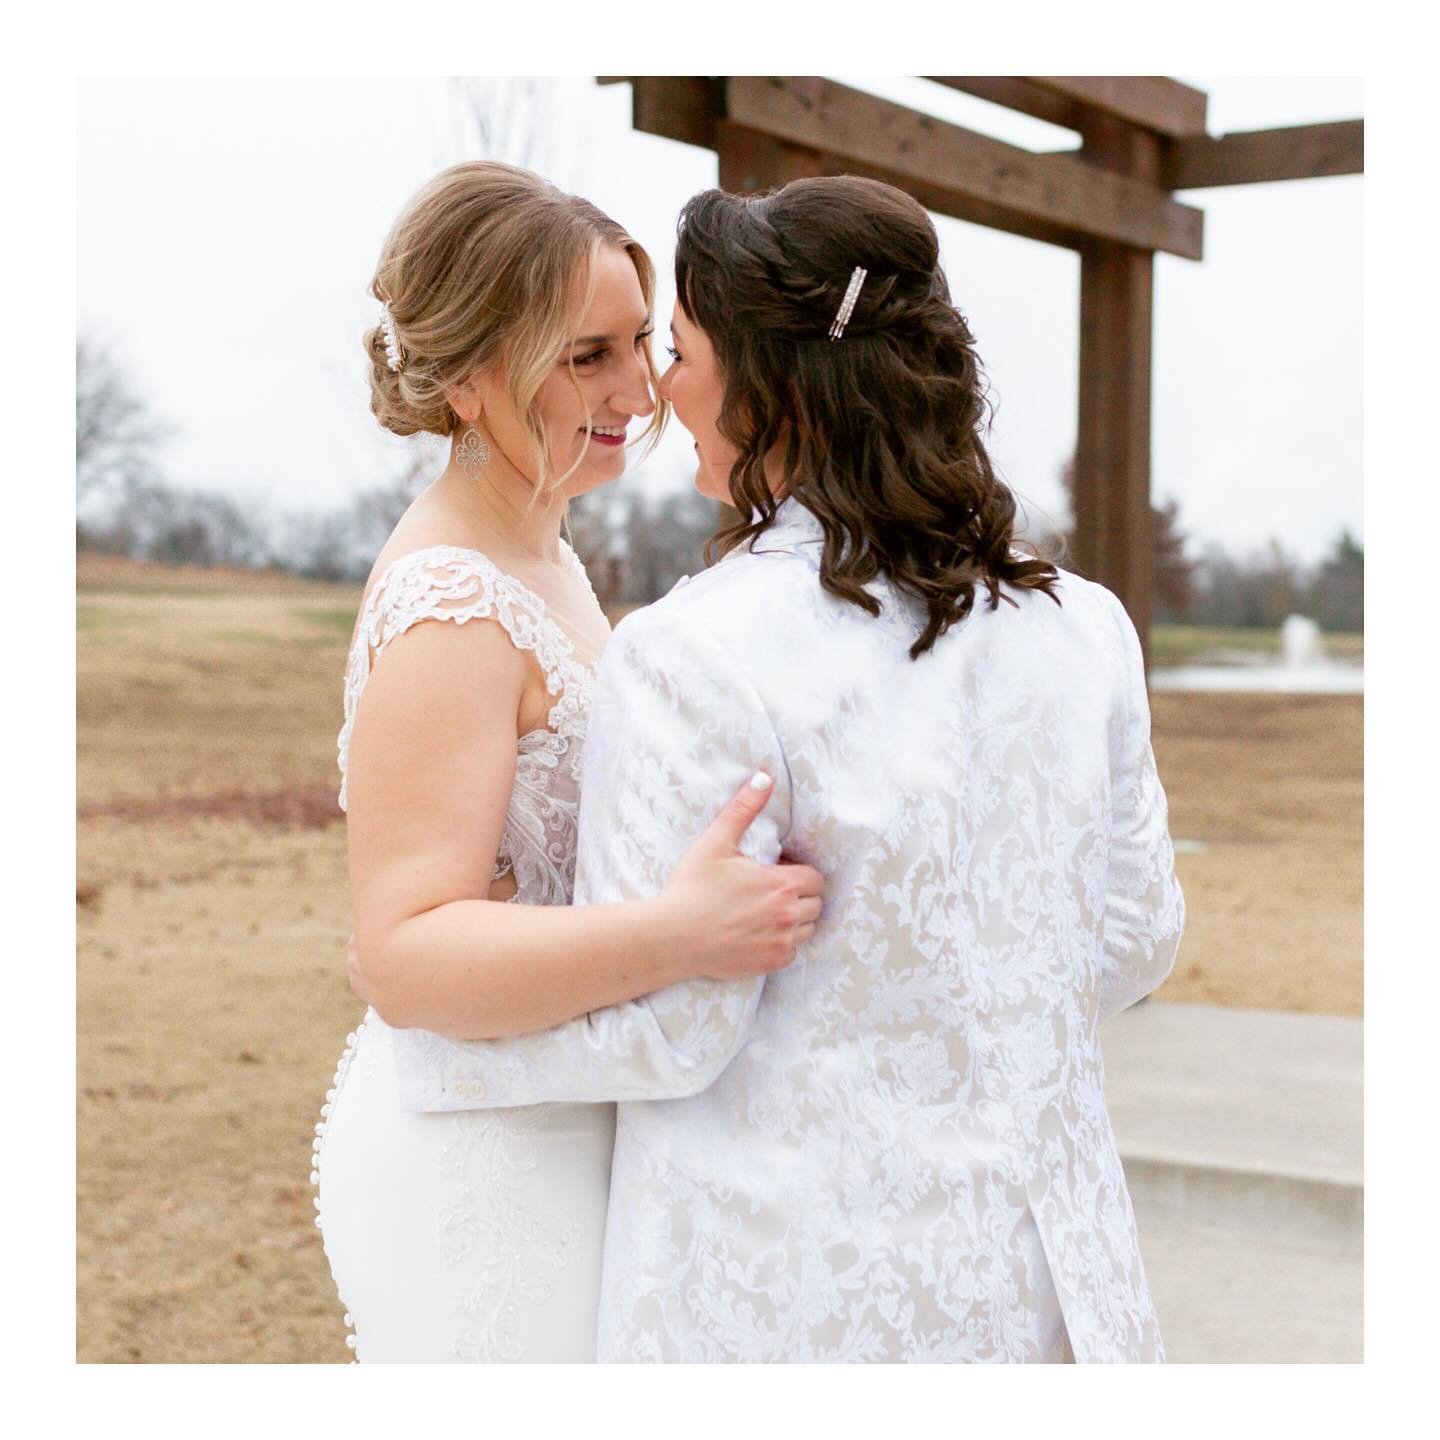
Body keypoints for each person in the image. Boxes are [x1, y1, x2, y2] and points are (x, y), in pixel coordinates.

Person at [390, 175, 1186, 1363]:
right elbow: (1138, 936)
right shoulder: (1088, 626)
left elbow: (674, 1029)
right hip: (1052, 1295)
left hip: (789, 1296)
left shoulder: (695, 652)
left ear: (770, 383)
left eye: (683, 348)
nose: (663, 386)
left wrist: (422, 1040)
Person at [312, 162, 824, 1363]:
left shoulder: (544, 558)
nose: (642, 391)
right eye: (586, 355)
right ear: (468, 375)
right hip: (480, 1166)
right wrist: (682, 932)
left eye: (643, 344)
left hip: (563, 1113)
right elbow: (404, 950)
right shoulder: (451, 602)